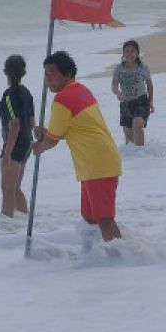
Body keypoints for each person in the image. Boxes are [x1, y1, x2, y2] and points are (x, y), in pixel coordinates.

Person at [31, 51, 123, 242]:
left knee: (104, 219)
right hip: (96, 161)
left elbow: (53, 140)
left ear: (67, 75)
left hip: (98, 163)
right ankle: (93, 256)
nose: (48, 79)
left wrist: (39, 147)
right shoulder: (81, 89)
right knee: (89, 217)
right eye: (46, 74)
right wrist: (48, 134)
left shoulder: (62, 99)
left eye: (53, 74)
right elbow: (73, 128)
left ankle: (120, 262)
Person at [0, 54, 35, 217]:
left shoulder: (9, 95)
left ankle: (7, 223)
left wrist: (7, 153)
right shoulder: (27, 92)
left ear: (5, 72)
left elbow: (14, 125)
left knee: (7, 189)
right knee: (15, 187)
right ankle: (23, 219)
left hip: (14, 144)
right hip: (26, 142)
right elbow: (32, 122)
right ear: (23, 73)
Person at [111, 39, 154, 146]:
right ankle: (132, 158)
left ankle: (141, 154)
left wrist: (151, 102)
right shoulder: (118, 68)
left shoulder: (143, 67)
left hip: (141, 101)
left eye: (132, 51)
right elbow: (114, 85)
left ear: (137, 53)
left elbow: (149, 85)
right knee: (128, 135)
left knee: (137, 123)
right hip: (125, 103)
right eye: (127, 51)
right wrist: (118, 93)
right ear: (123, 53)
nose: (130, 54)